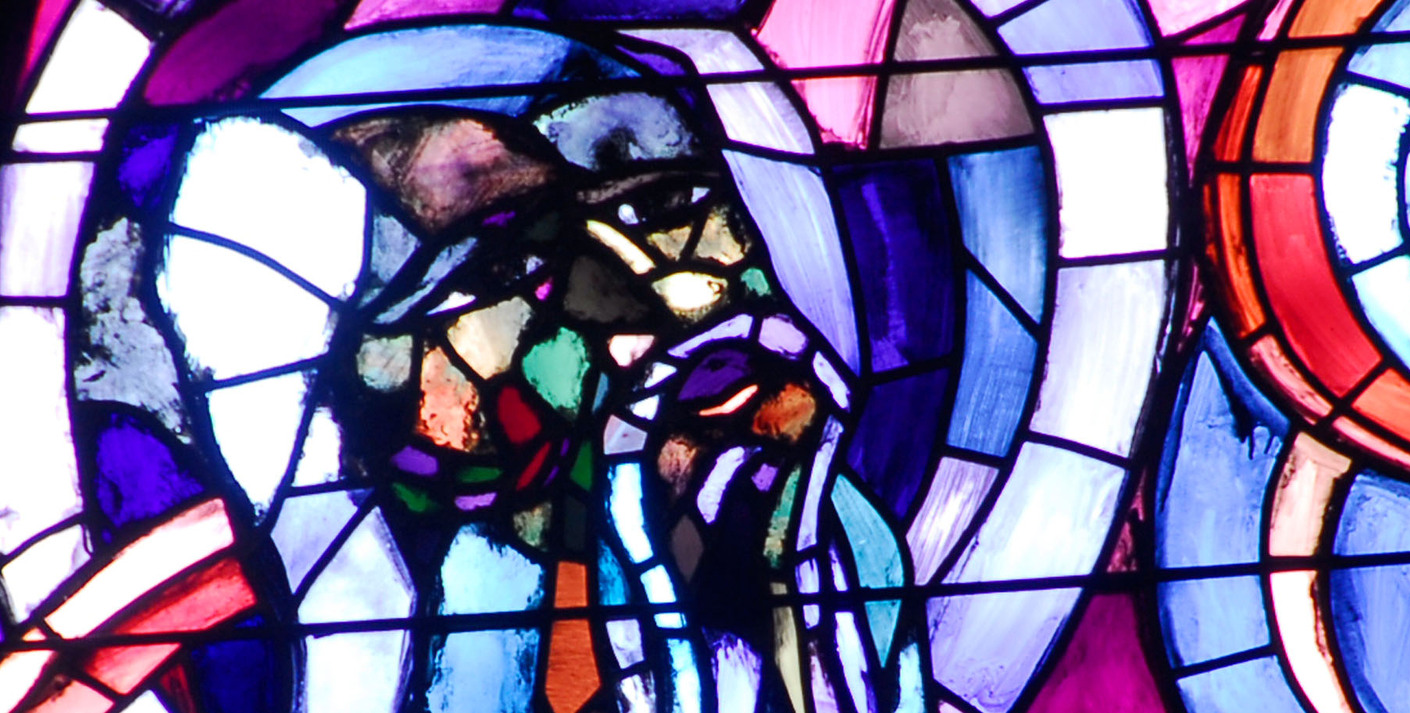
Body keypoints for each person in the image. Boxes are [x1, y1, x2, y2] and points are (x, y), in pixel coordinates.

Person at [6, 23, 927, 713]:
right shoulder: (212, 580)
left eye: (675, 212)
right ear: (344, 362)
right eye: (504, 276)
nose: (622, 330)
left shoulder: (814, 533)